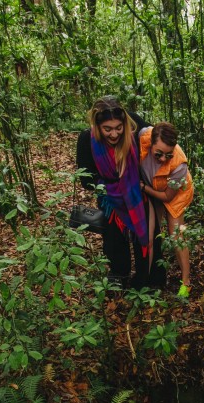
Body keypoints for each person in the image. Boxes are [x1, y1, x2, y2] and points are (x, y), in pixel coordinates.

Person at [75, 97, 165, 289]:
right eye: (107, 129)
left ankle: (149, 280)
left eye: (118, 128)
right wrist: (111, 185)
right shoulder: (86, 139)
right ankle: (119, 279)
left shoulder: (134, 123)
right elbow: (85, 178)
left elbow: (159, 140)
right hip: (110, 200)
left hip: (139, 193)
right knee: (114, 242)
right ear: (97, 125)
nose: (114, 134)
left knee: (148, 238)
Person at [138, 122, 194, 298]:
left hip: (175, 194)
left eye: (168, 155)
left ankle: (186, 282)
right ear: (151, 143)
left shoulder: (179, 165)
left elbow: (168, 196)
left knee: (176, 234)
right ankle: (151, 276)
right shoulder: (142, 137)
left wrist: (144, 188)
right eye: (159, 153)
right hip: (151, 188)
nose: (163, 159)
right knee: (153, 231)